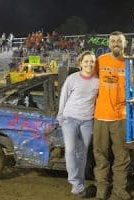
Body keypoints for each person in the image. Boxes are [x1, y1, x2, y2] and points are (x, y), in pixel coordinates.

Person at [93, 31, 131, 200]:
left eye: (119, 41)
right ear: (109, 44)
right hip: (101, 116)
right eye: (113, 41)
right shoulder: (100, 61)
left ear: (125, 44)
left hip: (121, 117)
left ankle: (119, 190)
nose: (116, 43)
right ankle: (101, 188)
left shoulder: (130, 63)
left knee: (122, 156)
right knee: (100, 155)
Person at [57, 51, 98, 198]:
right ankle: (75, 183)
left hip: (87, 121)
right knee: (70, 150)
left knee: (82, 153)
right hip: (70, 119)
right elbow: (64, 97)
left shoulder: (97, 80)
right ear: (80, 63)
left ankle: (79, 184)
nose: (89, 64)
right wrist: (60, 116)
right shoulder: (72, 79)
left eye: (92, 62)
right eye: (86, 61)